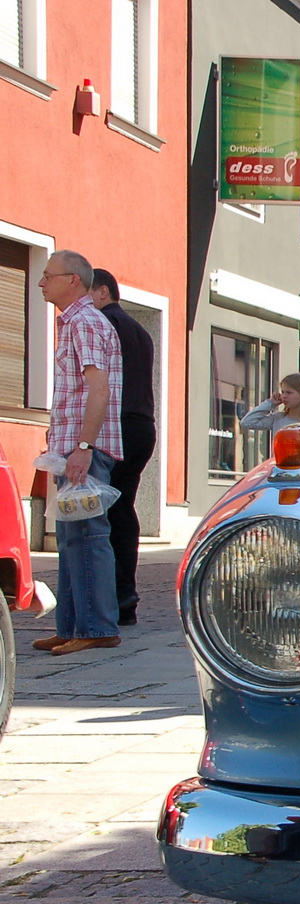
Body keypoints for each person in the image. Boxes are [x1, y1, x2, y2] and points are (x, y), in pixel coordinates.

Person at [35, 250, 124, 655]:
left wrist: (84, 448)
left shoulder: (86, 322)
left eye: (48, 276)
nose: (41, 282)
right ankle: (73, 625)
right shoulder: (76, 323)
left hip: (83, 448)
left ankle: (95, 627)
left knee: (87, 537)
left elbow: (98, 389)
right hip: (71, 446)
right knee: (71, 538)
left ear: (73, 280)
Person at [88, 269, 155, 627]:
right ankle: (124, 599)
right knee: (122, 510)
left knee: (102, 514)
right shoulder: (140, 331)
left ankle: (107, 601)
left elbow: (98, 384)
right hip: (142, 424)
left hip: (116, 424)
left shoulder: (100, 325)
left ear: (101, 292)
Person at [241, 372, 300, 437]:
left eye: (289, 393)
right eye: (282, 392)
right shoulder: (278, 418)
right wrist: (270, 403)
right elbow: (247, 422)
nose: (284, 396)